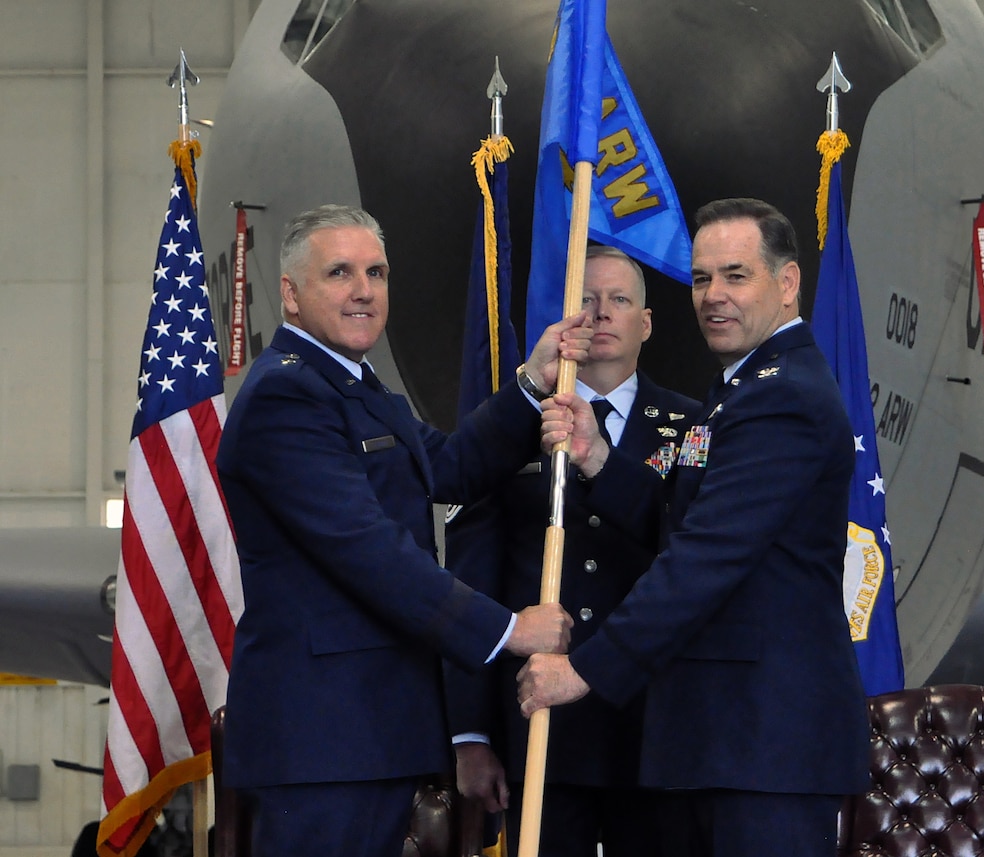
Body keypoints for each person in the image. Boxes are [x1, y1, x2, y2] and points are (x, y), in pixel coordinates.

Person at [216, 204, 585, 857]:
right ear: (291, 295)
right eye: (340, 272)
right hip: (324, 741)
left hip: (373, 733)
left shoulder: (357, 388)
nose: (364, 289)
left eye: (376, 272)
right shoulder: (285, 397)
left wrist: (531, 381)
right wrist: (508, 629)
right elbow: (370, 550)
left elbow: (448, 467)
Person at [519, 199, 871, 857]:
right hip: (725, 739)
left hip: (766, 745)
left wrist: (583, 671)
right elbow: (675, 498)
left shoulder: (782, 397)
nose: (714, 296)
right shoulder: (732, 392)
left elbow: (703, 555)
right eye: (703, 278)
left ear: (787, 282)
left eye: (735, 275)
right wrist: (597, 455)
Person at [444, 246, 701, 857]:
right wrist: (471, 733)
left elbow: (690, 547)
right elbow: (472, 578)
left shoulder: (692, 428)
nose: (601, 314)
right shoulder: (517, 422)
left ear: (646, 323)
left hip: (651, 722)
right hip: (538, 724)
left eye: (619, 300)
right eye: (585, 300)